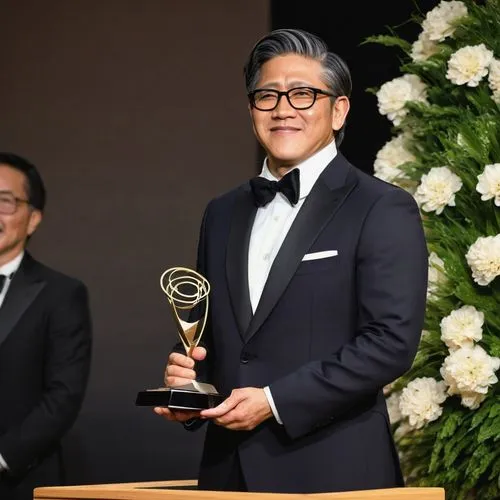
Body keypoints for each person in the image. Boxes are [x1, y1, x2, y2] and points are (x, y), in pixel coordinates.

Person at [156, 28, 428, 493]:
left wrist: (274, 400)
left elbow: (390, 342)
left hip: (333, 472)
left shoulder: (381, 206)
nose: (283, 108)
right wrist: (192, 388)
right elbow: (222, 342)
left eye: (303, 94)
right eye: (267, 95)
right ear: (251, 109)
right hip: (227, 473)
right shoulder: (221, 211)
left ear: (338, 110)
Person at [0, 153, 92, 500]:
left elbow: (62, 397)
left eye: (5, 201)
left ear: (33, 218)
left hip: (17, 482)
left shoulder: (62, 294)